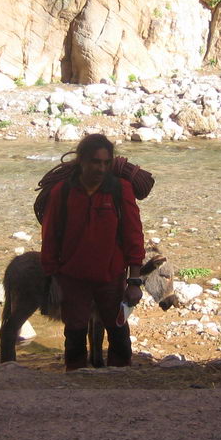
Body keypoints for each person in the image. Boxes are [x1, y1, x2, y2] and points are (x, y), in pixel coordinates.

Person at [40, 134, 146, 370]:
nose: (101, 168)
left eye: (106, 163)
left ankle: (120, 376)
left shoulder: (120, 191)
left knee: (118, 331)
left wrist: (134, 281)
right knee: (74, 332)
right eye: (95, 162)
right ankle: (76, 377)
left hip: (111, 278)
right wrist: (52, 278)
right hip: (72, 278)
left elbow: (134, 236)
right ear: (81, 160)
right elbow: (50, 236)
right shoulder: (62, 192)